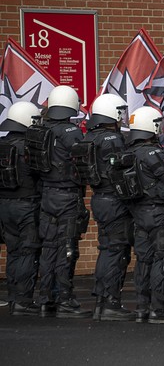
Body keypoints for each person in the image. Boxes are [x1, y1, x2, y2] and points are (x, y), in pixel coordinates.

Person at [28, 85, 91, 318]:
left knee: (48, 248)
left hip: (46, 195)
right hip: (67, 195)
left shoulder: (38, 131)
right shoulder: (71, 132)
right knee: (66, 248)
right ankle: (65, 299)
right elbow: (83, 162)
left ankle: (46, 299)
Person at [119, 106, 164, 324]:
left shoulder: (127, 153)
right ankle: (158, 308)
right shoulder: (153, 153)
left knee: (143, 261)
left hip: (138, 214)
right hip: (159, 213)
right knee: (162, 260)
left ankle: (141, 307)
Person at [76, 94, 134, 321]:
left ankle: (102, 300)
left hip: (100, 198)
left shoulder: (89, 137)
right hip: (115, 200)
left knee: (107, 249)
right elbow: (122, 171)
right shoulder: (112, 139)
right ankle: (110, 302)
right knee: (116, 252)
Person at [0, 102, 42, 315]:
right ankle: (24, 301)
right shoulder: (29, 147)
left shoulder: (2, 144)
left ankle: (13, 296)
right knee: (27, 251)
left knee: (13, 251)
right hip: (26, 203)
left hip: (5, 205)